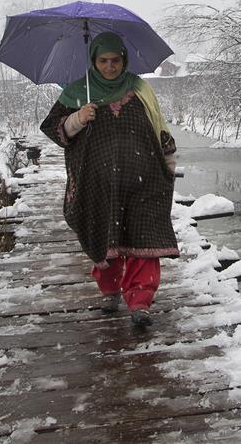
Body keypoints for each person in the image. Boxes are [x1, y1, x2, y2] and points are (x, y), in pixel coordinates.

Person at [39, 31, 178, 327]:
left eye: (116, 60)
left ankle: (140, 302)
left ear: (124, 60)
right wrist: (77, 118)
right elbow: (52, 128)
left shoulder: (139, 89)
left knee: (144, 238)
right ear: (94, 60)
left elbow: (158, 124)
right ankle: (110, 289)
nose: (110, 66)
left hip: (145, 180)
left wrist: (168, 163)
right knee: (107, 235)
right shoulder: (78, 92)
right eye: (103, 60)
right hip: (98, 183)